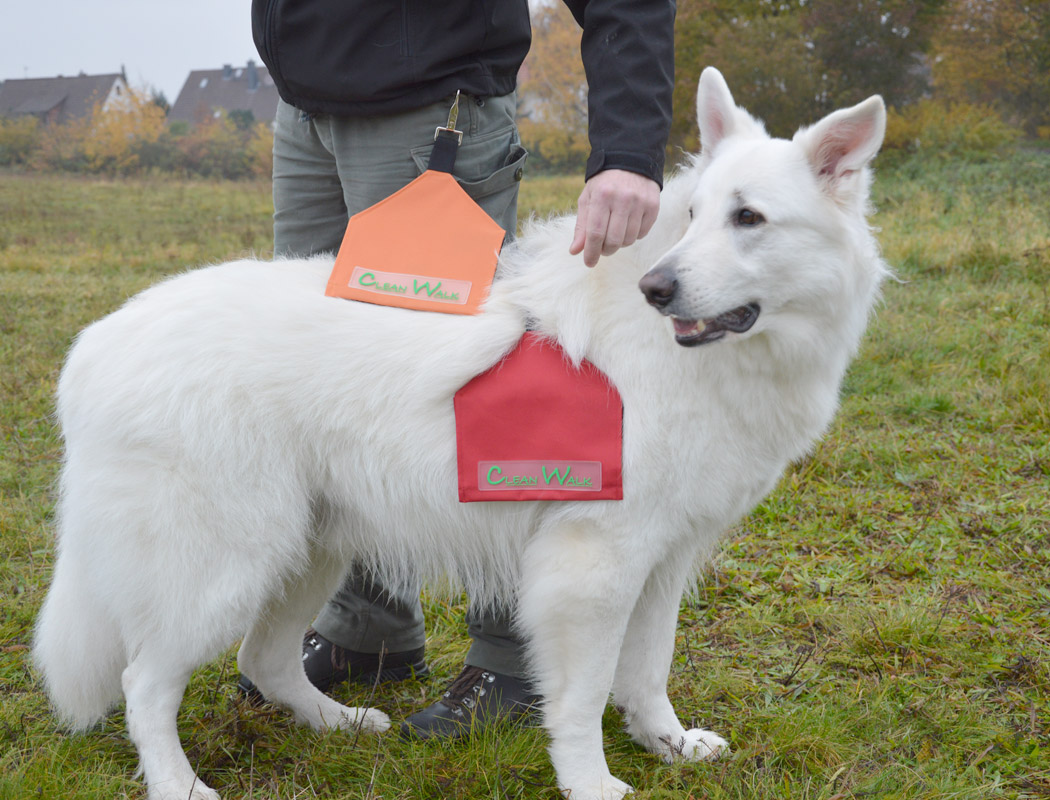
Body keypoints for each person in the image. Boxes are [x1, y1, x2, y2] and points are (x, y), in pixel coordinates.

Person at [240, 0, 676, 739]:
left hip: (426, 115)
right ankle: (369, 624)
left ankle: (514, 658)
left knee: (466, 384)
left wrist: (629, 150)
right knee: (332, 389)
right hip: (308, 110)